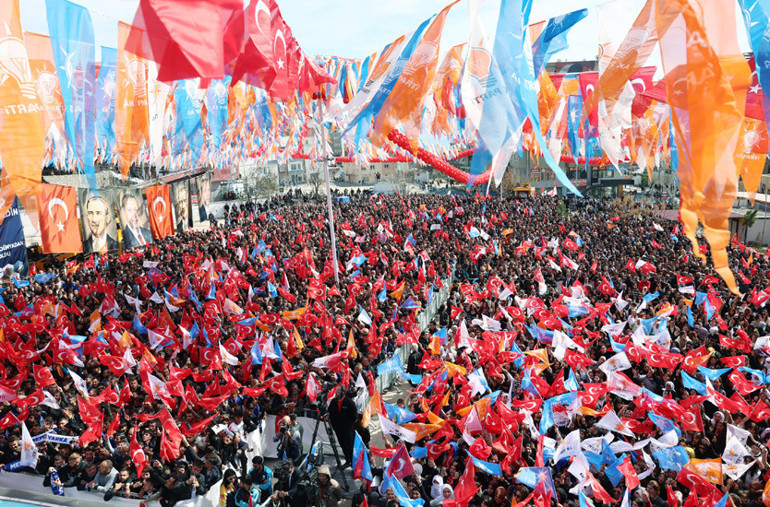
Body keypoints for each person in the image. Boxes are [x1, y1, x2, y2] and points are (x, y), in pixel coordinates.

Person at [327, 386, 356, 465]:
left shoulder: (350, 403)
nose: (336, 393)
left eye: (338, 392)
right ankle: (348, 460)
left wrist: (348, 426)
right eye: (336, 391)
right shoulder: (334, 402)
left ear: (343, 392)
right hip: (338, 429)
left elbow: (354, 417)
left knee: (349, 445)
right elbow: (330, 412)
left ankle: (353, 461)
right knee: (342, 445)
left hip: (348, 429)